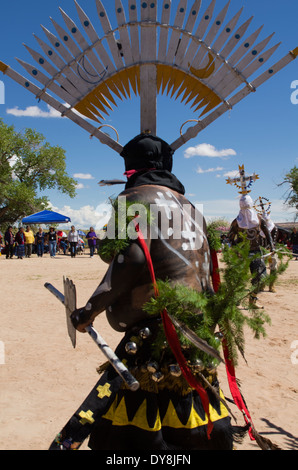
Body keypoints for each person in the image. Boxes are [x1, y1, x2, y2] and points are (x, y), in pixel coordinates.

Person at [50, 134, 237, 451]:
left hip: (152, 332)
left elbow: (132, 258)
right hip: (195, 333)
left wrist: (90, 311)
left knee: (136, 437)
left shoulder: (134, 199)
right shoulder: (192, 207)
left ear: (129, 168)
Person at [228, 194, 274, 307]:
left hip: (256, 252)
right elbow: (230, 237)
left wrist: (272, 246)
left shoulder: (259, 219)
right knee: (238, 280)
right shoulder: (236, 222)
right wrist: (234, 249)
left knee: (261, 278)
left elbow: (267, 232)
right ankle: (237, 299)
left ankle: (252, 300)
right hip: (241, 254)